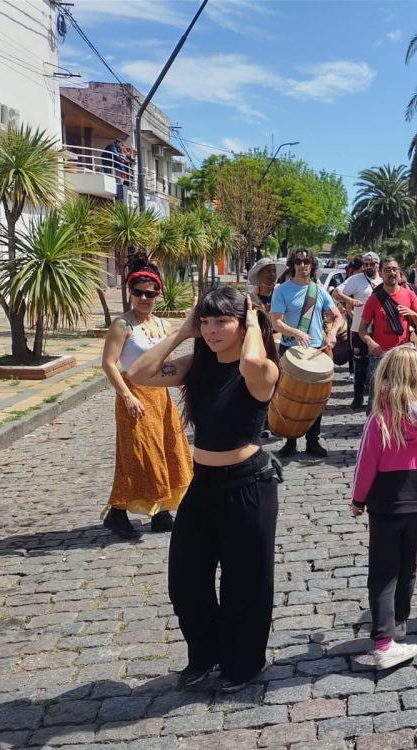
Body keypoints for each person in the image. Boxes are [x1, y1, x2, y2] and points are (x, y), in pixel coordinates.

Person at [128, 287, 281, 692]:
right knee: (186, 579)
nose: (211, 330)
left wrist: (250, 322)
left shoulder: (262, 369)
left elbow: (250, 358)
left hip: (249, 485)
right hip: (204, 485)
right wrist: (182, 332)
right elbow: (139, 373)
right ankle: (205, 654)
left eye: (221, 321)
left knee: (244, 582)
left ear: (242, 324)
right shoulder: (198, 364)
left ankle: (243, 664)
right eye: (206, 321)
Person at [351, 346, 417, 670]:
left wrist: (358, 499)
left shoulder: (379, 420)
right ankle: (399, 625)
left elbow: (365, 466)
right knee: (407, 566)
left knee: (382, 572)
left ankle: (383, 641)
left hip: (384, 505)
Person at [100, 253, 193, 539]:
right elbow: (109, 363)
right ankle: (117, 512)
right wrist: (127, 396)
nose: (144, 298)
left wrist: (182, 385)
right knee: (140, 458)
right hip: (135, 398)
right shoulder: (122, 325)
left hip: (160, 400)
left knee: (169, 452)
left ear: (158, 295)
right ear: (130, 292)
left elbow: (168, 364)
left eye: (150, 294)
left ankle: (162, 513)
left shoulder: (164, 327)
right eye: (138, 292)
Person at [271, 248, 347, 458]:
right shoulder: (282, 291)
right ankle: (290, 441)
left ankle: (313, 441)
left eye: (306, 261)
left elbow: (338, 318)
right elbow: (275, 322)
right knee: (290, 398)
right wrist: (295, 332)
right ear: (292, 265)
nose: (303, 265)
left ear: (312, 264)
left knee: (315, 399)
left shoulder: (319, 291)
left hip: (316, 352)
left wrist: (332, 332)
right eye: (298, 261)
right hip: (291, 350)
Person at [360, 256, 417, 404]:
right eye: (388, 270)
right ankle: (375, 425)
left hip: (402, 356)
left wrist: (412, 314)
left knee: (403, 397)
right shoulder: (374, 299)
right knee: (376, 399)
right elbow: (362, 329)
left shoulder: (410, 294)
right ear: (381, 273)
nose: (392, 273)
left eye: (395, 269)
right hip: (380, 356)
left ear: (399, 272)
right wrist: (371, 343)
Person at [334, 252, 382, 410]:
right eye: (366, 264)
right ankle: (358, 396)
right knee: (360, 365)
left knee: (377, 365)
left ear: (377, 264)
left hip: (378, 330)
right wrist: (350, 300)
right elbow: (336, 292)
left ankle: (375, 397)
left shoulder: (383, 281)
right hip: (358, 328)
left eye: (372, 264)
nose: (368, 267)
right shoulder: (356, 279)